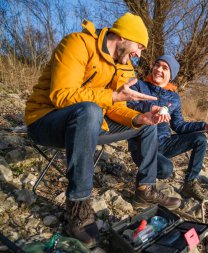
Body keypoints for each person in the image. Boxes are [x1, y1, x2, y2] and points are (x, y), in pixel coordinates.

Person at [24, 14, 181, 247]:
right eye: (139, 46)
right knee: (90, 110)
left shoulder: (125, 67)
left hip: (90, 125)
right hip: (46, 121)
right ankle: (78, 205)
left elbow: (116, 108)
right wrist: (110, 96)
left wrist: (139, 117)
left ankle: (145, 189)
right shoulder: (77, 43)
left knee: (146, 124)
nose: (139, 54)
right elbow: (61, 95)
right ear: (123, 37)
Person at [127, 55, 208, 201]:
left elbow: (179, 125)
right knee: (165, 169)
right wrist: (150, 107)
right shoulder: (139, 86)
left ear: (171, 75)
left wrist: (203, 125)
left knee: (200, 139)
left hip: (165, 142)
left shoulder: (174, 98)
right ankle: (144, 189)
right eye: (157, 65)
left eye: (165, 68)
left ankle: (190, 183)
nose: (158, 70)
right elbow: (127, 105)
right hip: (141, 144)